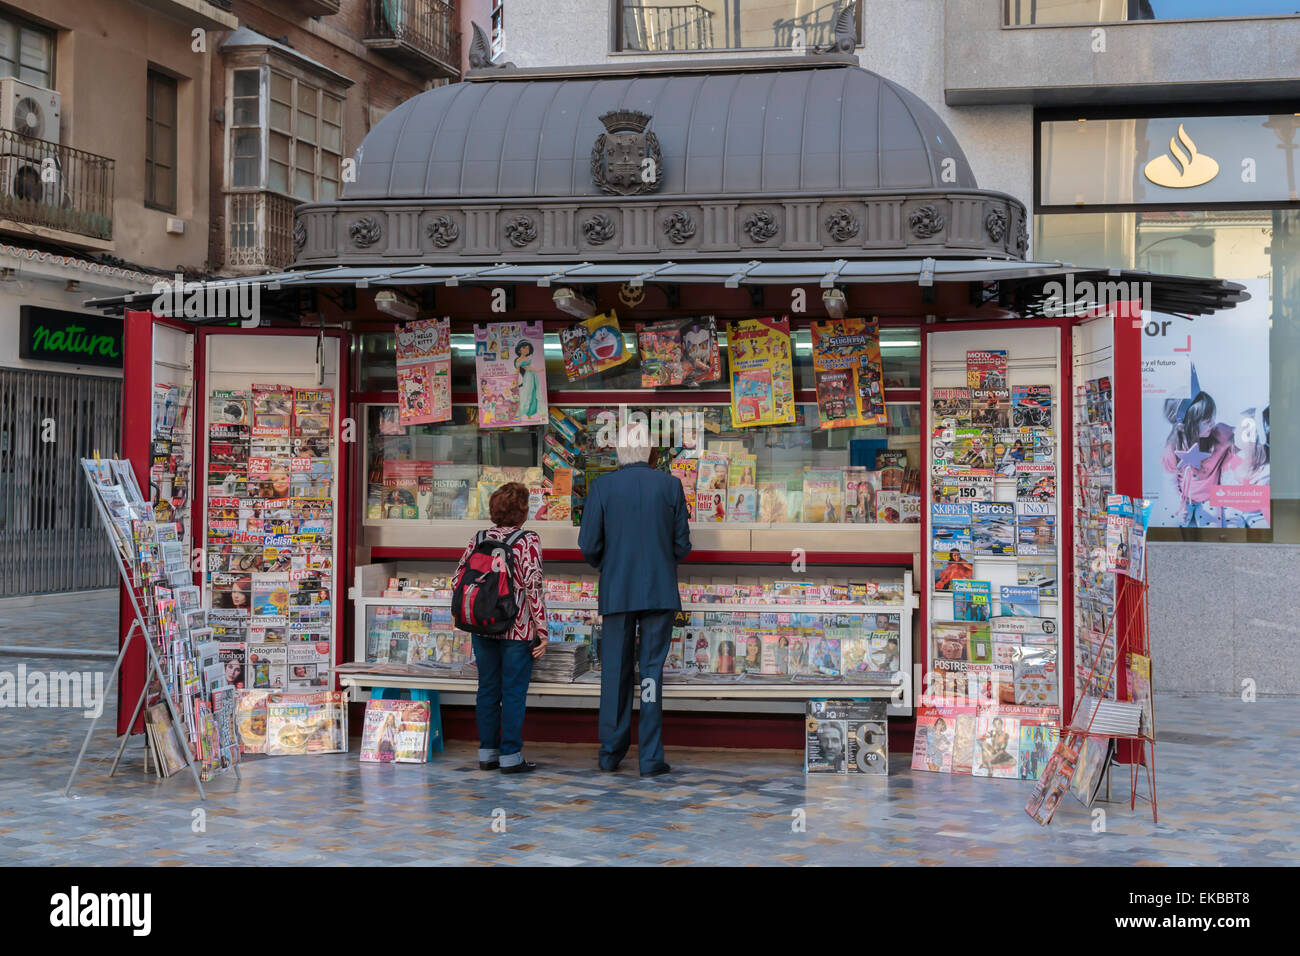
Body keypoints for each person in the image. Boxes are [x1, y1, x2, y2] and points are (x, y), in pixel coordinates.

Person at [578, 422, 691, 776]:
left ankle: (611, 752)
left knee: (615, 671)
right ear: (649, 451)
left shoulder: (603, 487)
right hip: (659, 590)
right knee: (651, 673)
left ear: (619, 452)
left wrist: (609, 565)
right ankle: (650, 757)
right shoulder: (671, 485)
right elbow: (682, 545)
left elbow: (588, 545)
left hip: (617, 590)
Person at [453, 482, 547, 774]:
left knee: (487, 690)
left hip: (482, 626)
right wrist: (542, 630)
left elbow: (458, 579)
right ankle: (511, 757)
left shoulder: (479, 537)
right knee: (514, 692)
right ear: (522, 511)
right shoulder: (527, 540)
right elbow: (533, 587)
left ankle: (487, 754)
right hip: (516, 629)